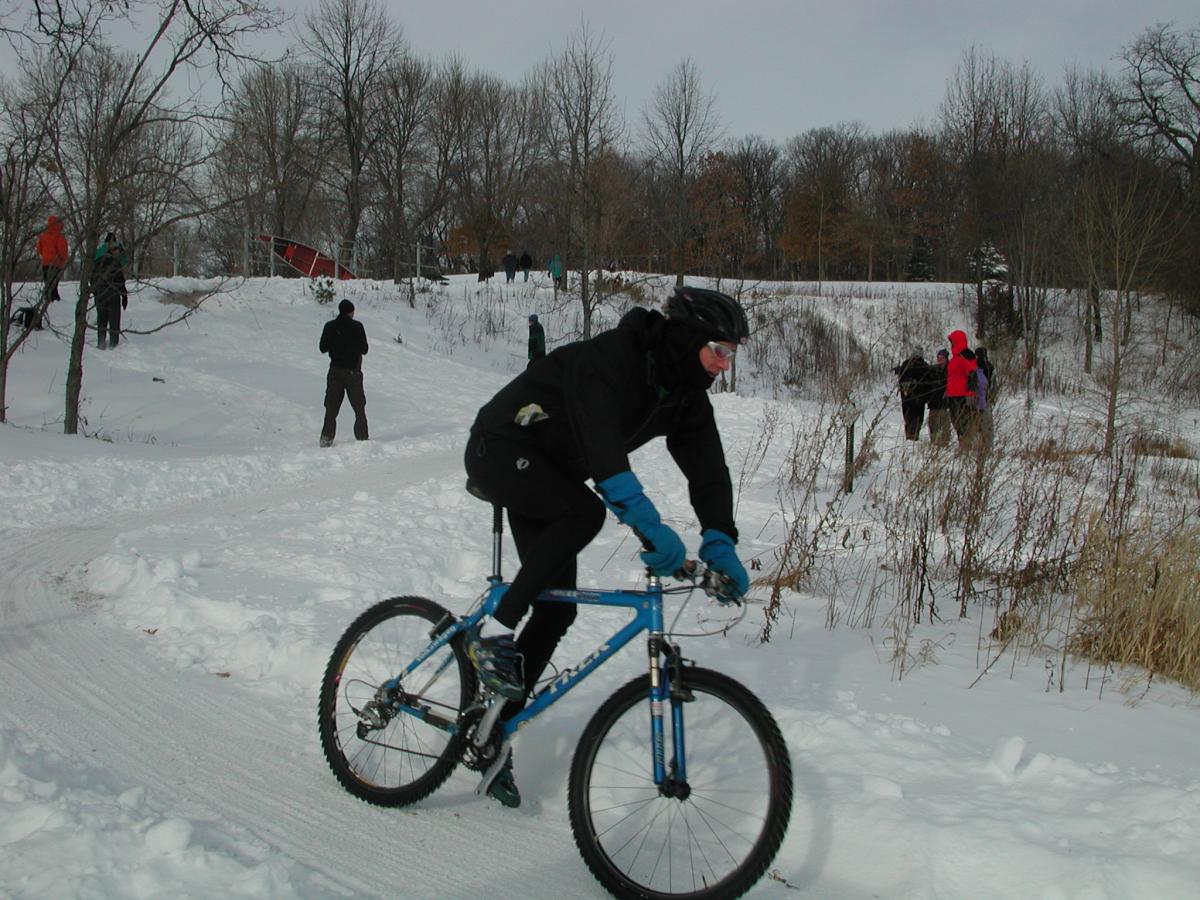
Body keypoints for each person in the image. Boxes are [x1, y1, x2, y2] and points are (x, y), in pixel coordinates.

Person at [463, 286, 752, 808]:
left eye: (730, 354)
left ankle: (490, 735)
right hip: (502, 446)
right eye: (719, 350)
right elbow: (605, 456)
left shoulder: (684, 393)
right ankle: (493, 632)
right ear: (688, 339)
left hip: (552, 477)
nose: (723, 365)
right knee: (584, 513)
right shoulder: (611, 360)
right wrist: (649, 526)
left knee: (555, 612)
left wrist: (721, 539)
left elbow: (709, 471)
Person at [319, 299, 369, 447]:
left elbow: (322, 348)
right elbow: (365, 349)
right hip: (353, 372)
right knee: (359, 408)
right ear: (351, 312)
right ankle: (362, 438)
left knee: (331, 408)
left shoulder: (330, 326)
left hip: (335, 371)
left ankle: (326, 438)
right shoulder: (357, 326)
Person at [945, 329, 978, 447]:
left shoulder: (966, 355)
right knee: (956, 422)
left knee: (963, 422)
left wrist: (970, 393)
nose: (951, 344)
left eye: (952, 342)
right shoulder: (955, 357)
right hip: (953, 395)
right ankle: (963, 444)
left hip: (962, 396)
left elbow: (972, 374)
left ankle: (965, 446)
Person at [92, 241, 128, 349]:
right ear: (113, 251)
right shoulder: (115, 263)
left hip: (100, 295)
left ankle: (101, 343)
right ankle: (113, 344)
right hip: (113, 295)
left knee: (101, 320)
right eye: (118, 250)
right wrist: (124, 296)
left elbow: (92, 279)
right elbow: (120, 281)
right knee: (114, 321)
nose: (119, 253)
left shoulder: (98, 262)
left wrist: (95, 292)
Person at [892, 348, 931, 441]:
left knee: (908, 417)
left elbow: (901, 379)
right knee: (917, 418)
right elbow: (929, 382)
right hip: (919, 399)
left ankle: (910, 435)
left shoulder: (906, 364)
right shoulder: (924, 366)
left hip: (907, 397)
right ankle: (914, 435)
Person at [37, 215, 69, 304]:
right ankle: (54, 300)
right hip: (56, 263)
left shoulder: (43, 235)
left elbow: (39, 249)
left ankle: (48, 299)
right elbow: (63, 251)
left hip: (45, 263)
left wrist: (45, 256)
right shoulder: (59, 236)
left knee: (48, 283)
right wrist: (63, 259)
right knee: (54, 284)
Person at [925, 349, 951, 445]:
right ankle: (934, 442)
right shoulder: (933, 369)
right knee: (932, 423)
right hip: (933, 401)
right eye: (938, 357)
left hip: (945, 402)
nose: (939, 359)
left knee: (944, 423)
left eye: (942, 358)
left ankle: (944, 442)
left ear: (946, 358)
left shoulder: (950, 368)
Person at [973, 346, 994, 451]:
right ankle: (987, 447)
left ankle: (978, 448)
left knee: (978, 426)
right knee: (987, 426)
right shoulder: (990, 367)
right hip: (987, 400)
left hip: (978, 401)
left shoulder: (977, 367)